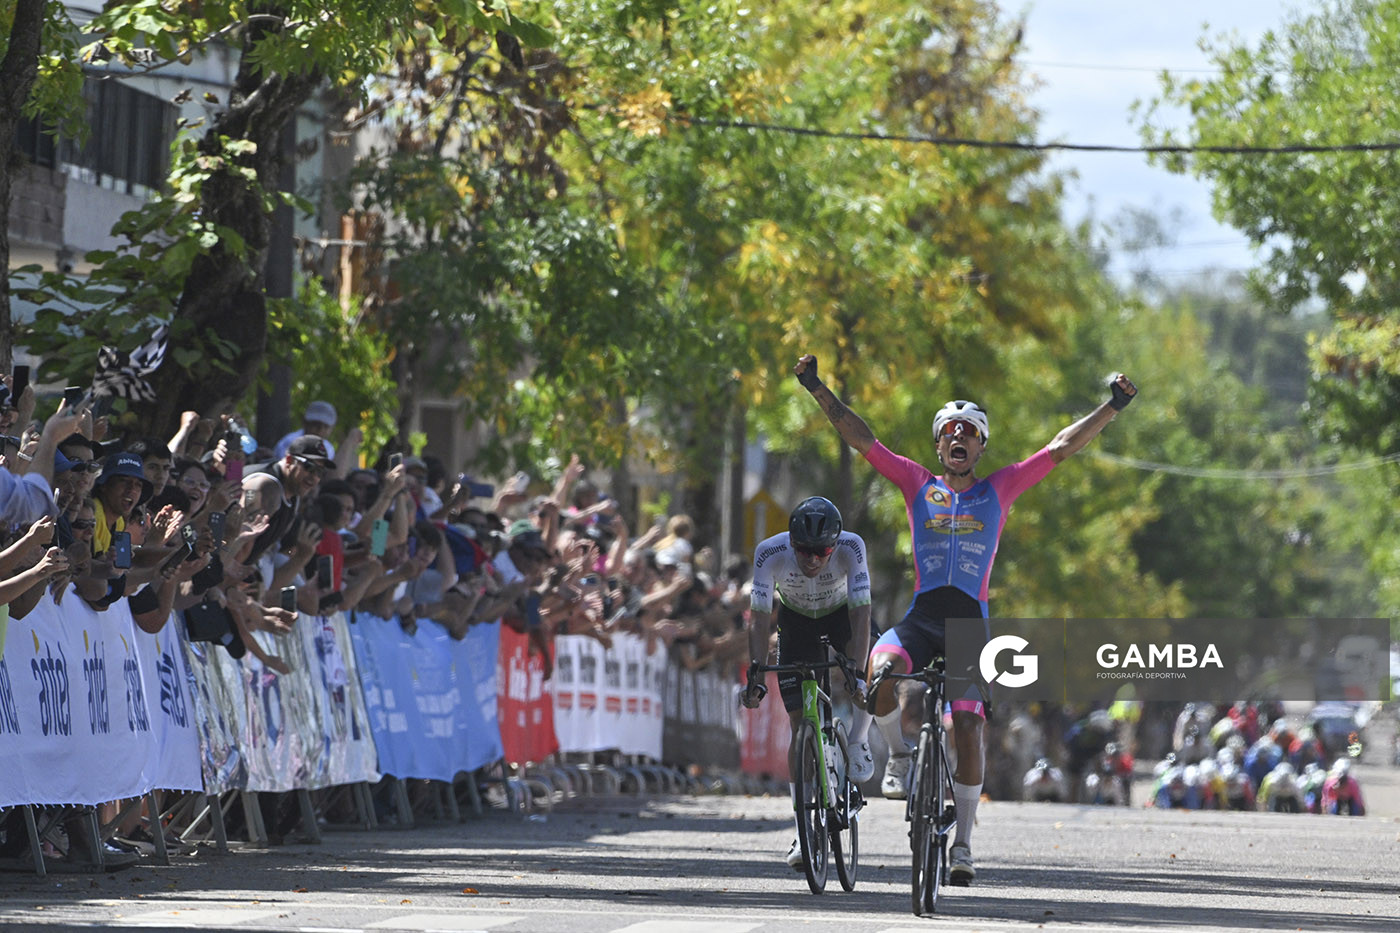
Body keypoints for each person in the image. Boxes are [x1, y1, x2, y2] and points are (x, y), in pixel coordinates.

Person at [794, 351, 1137, 886]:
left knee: (971, 725)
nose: (959, 438)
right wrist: (817, 388)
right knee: (878, 674)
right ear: (939, 445)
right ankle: (902, 758)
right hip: (922, 616)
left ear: (981, 445)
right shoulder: (915, 483)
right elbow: (862, 439)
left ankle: (965, 845)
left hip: (970, 627)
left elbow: (1061, 447)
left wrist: (1111, 407)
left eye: (970, 432)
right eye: (950, 431)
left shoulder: (997, 489)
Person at [740, 496, 875, 871]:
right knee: (801, 725)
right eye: (804, 551)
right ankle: (803, 828)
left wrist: (857, 671)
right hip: (796, 622)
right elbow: (759, 616)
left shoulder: (852, 546)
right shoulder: (770, 553)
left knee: (871, 664)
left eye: (821, 552)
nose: (813, 560)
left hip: (841, 615)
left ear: (834, 544)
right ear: (791, 542)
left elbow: (862, 612)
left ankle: (860, 739)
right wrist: (756, 672)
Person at [272, 400, 338, 461]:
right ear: (305, 423)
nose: (320, 430)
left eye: (326, 427)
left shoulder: (329, 449)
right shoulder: (290, 442)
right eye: (316, 425)